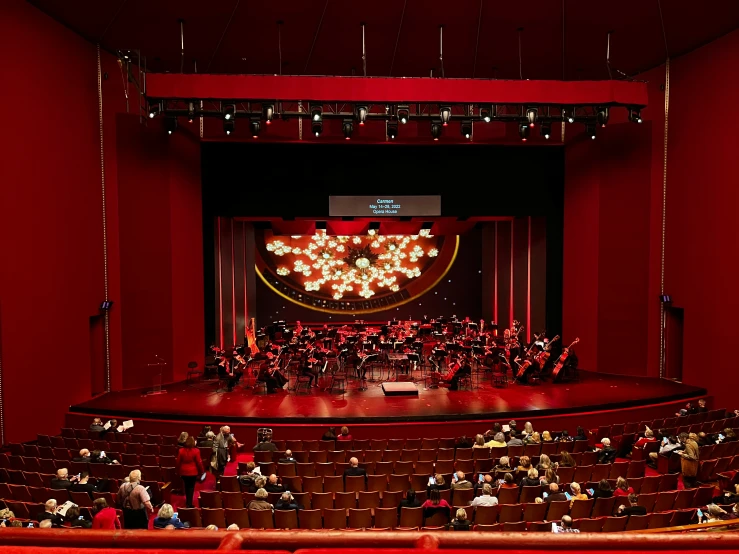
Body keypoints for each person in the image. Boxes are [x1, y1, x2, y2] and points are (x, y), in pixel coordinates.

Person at [176, 435, 204, 508]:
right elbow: (199, 462)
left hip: (183, 472)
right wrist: (202, 471)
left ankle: (188, 500)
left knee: (186, 485)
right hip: (193, 472)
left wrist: (177, 471)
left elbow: (178, 462)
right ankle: (189, 503)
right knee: (191, 487)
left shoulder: (181, 450)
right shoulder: (196, 451)